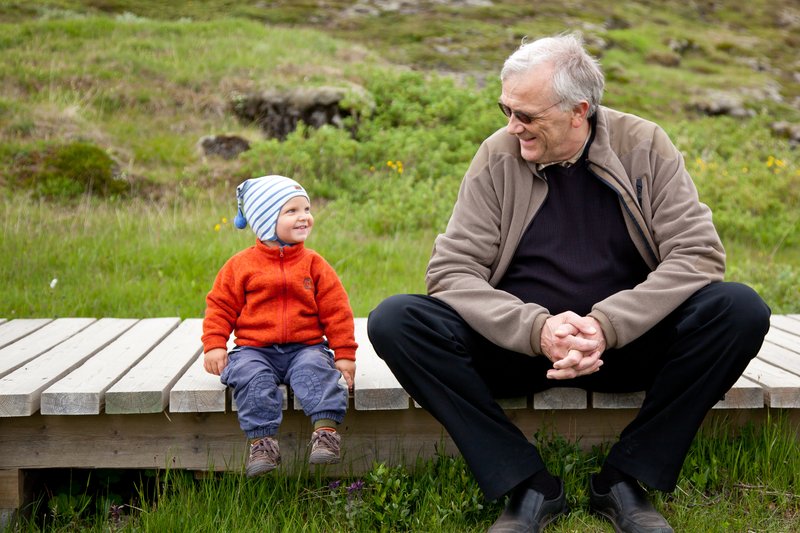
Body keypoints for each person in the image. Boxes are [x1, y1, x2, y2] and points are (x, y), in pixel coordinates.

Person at [367, 33, 770, 533]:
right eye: (506, 110)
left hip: (627, 346)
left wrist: (606, 325)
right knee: (397, 320)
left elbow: (698, 253)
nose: (512, 126)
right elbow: (451, 271)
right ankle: (527, 484)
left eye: (527, 116)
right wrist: (537, 330)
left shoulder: (643, 144)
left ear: (578, 111)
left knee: (739, 309)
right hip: (519, 351)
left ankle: (625, 479)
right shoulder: (498, 155)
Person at [202, 174, 357, 477]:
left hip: (305, 347)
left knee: (317, 371)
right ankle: (262, 443)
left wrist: (344, 353)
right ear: (264, 219)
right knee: (250, 377)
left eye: (307, 209)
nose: (304, 217)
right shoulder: (240, 266)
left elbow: (337, 310)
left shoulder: (314, 265)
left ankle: (325, 433)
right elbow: (220, 306)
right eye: (292, 211)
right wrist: (215, 344)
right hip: (255, 349)